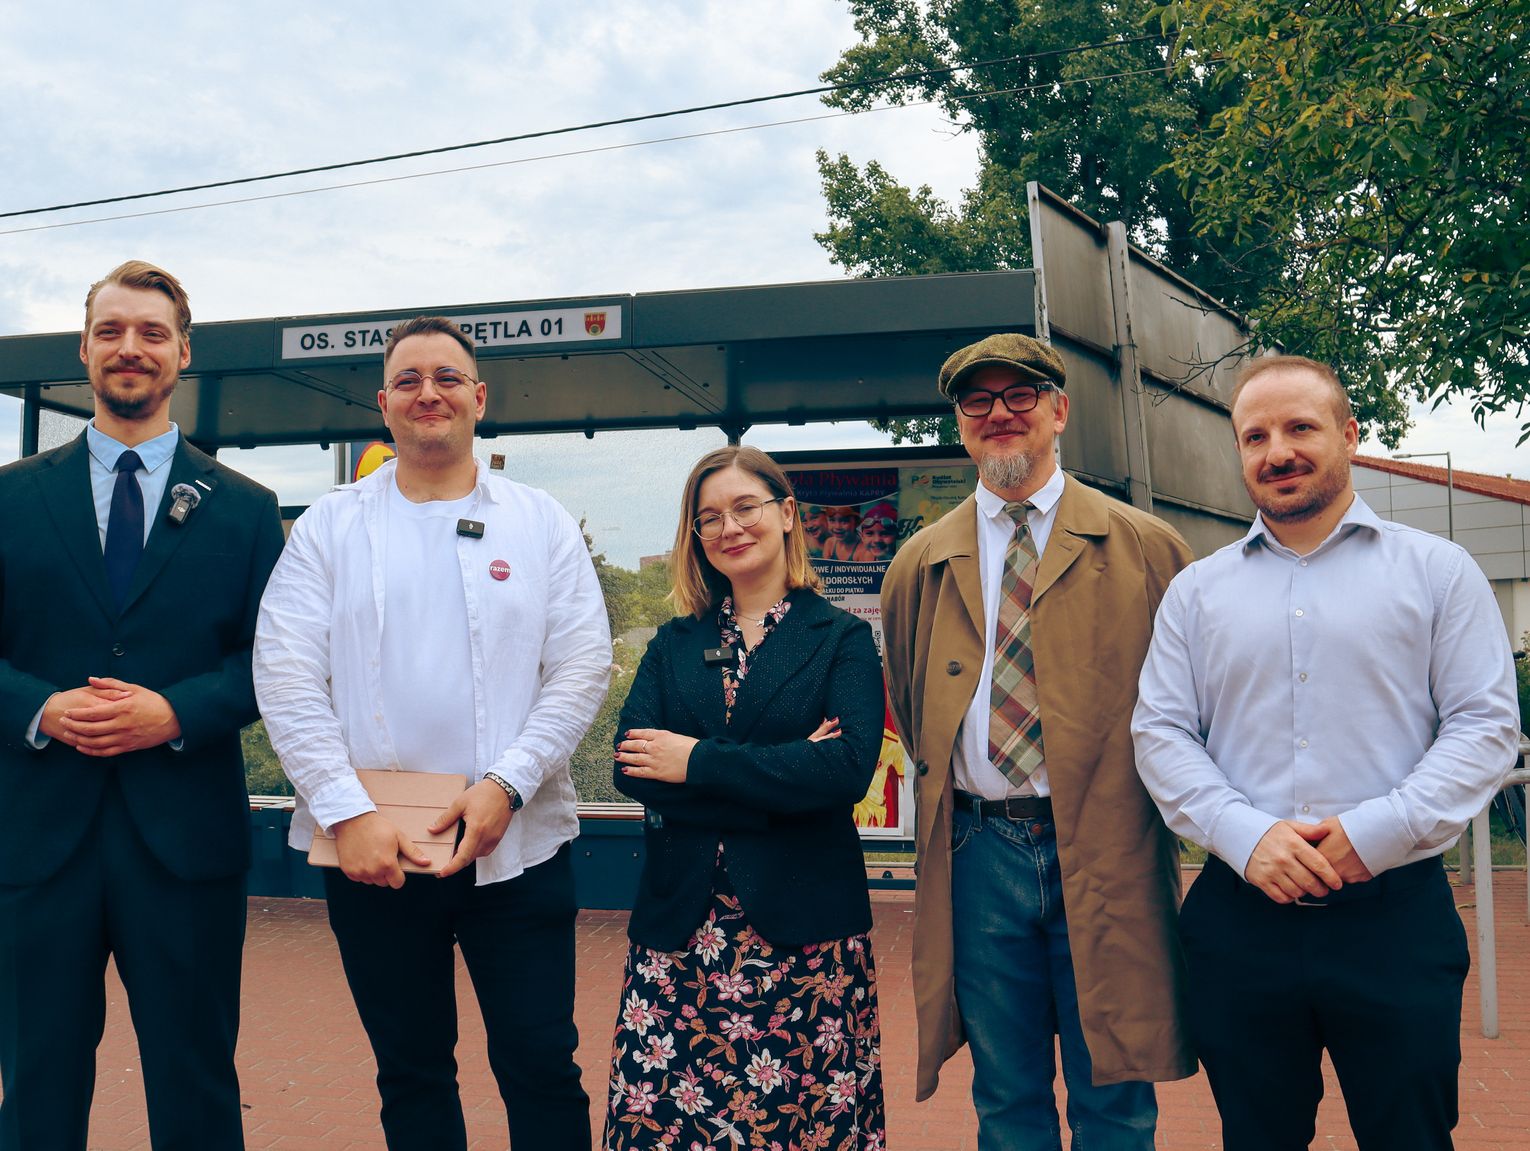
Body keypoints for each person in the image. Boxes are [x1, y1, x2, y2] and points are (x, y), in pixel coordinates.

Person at [1132, 354, 1520, 1151]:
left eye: (1300, 427)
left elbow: (1483, 726)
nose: (1278, 451)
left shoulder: (1437, 572)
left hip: (1394, 917)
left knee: (1410, 1135)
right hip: (1242, 918)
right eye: (1256, 436)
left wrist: (1374, 832)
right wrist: (1245, 835)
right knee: (1258, 1137)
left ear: (1348, 434)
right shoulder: (1197, 593)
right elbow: (1161, 731)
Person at [253, 316, 611, 1151]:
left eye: (447, 377)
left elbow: (582, 664)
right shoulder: (327, 529)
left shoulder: (540, 521)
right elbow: (285, 674)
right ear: (383, 405)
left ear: (479, 398)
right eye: (408, 380)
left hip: (517, 845)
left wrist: (507, 784)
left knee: (541, 1063)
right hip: (375, 854)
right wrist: (346, 810)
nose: (428, 393)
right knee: (411, 1071)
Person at [880, 332, 1195, 1150]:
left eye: (1020, 396)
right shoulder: (919, 563)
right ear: (960, 425)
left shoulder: (1149, 549)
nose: (1000, 415)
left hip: (1112, 848)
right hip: (981, 854)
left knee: (1116, 1095)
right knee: (1006, 1094)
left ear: (1059, 409)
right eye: (978, 401)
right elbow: (918, 715)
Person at [0, 261, 285, 1150]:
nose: (132, 348)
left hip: (185, 844)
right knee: (37, 1083)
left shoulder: (246, 509)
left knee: (196, 1080)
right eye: (114, 330)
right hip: (37, 842)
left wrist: (178, 712)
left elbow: (276, 664)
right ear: (83, 350)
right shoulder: (7, 498)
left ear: (183, 354)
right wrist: (40, 707)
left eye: (152, 333)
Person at [604, 445, 886, 1150]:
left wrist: (693, 761)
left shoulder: (841, 638)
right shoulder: (675, 642)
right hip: (682, 938)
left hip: (806, 940)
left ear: (787, 514)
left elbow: (847, 770)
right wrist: (785, 775)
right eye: (708, 517)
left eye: (744, 507)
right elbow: (633, 768)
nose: (728, 527)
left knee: (802, 1126)